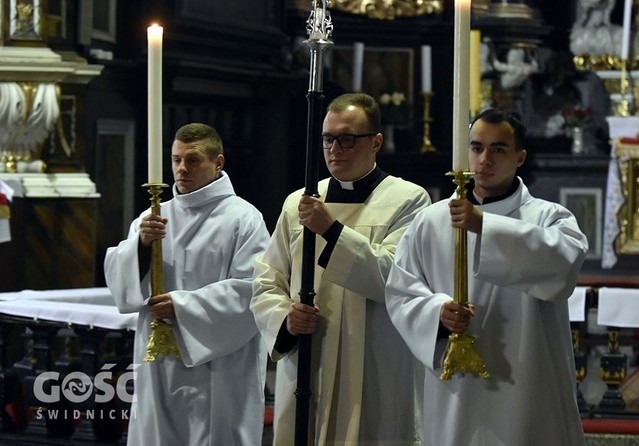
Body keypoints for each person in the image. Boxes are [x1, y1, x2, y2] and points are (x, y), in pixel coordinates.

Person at [385, 108, 588, 445]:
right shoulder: (430, 221)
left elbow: (564, 264)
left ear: (520, 157)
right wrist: (436, 312)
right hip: (456, 389)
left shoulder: (549, 218)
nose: (485, 159)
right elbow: (401, 291)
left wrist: (484, 226)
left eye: (498, 149)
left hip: (527, 385)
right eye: (477, 147)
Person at [251, 93, 431, 444]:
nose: (335, 149)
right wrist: (285, 319)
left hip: (374, 363)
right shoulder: (298, 203)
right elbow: (267, 280)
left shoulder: (409, 200)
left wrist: (332, 231)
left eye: (348, 139)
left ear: (376, 142)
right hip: (309, 359)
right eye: (328, 139)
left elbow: (396, 279)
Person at [104, 123, 270, 445]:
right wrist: (139, 246)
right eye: (176, 159)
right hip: (159, 362)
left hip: (219, 363)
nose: (181, 169)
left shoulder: (244, 219)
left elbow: (254, 290)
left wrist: (181, 306)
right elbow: (119, 282)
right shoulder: (152, 217)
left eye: (192, 160)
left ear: (218, 163)